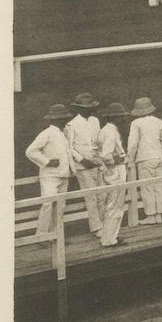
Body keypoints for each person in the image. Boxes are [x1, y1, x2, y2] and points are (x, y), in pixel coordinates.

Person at [24, 104, 72, 239]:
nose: (64, 121)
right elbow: (30, 151)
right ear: (54, 120)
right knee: (48, 204)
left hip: (63, 174)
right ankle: (41, 235)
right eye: (62, 118)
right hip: (50, 175)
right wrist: (47, 161)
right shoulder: (47, 133)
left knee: (60, 206)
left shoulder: (63, 133)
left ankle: (56, 235)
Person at [125, 96, 162, 225]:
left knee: (147, 188)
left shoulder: (136, 123)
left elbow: (132, 144)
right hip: (159, 158)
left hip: (145, 158)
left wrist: (130, 158)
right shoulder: (158, 121)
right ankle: (159, 215)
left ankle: (151, 215)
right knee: (158, 186)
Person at [65, 92, 103, 236]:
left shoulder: (95, 121)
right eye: (84, 108)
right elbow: (69, 147)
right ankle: (96, 227)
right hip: (83, 166)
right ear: (78, 109)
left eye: (90, 107)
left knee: (101, 195)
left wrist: (98, 157)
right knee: (91, 197)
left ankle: (104, 224)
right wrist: (82, 160)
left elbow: (98, 140)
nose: (88, 110)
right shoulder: (71, 124)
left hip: (97, 163)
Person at [95, 103, 130, 246]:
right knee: (115, 205)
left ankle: (108, 236)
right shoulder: (112, 132)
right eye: (121, 117)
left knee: (110, 204)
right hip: (115, 170)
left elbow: (97, 150)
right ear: (115, 118)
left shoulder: (104, 130)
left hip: (108, 171)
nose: (123, 119)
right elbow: (105, 155)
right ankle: (109, 239)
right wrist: (118, 159)